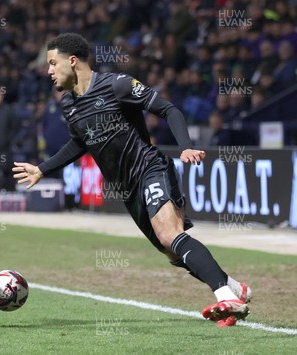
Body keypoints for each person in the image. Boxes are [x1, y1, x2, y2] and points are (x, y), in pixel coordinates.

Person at [13, 33, 251, 327]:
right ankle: (235, 288)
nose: (48, 70)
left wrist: (185, 146)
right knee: (171, 252)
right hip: (127, 190)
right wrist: (43, 168)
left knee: (169, 235)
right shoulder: (69, 104)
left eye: (52, 63)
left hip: (150, 168)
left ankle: (225, 295)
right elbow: (80, 143)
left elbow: (168, 109)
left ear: (72, 61)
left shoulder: (118, 84)